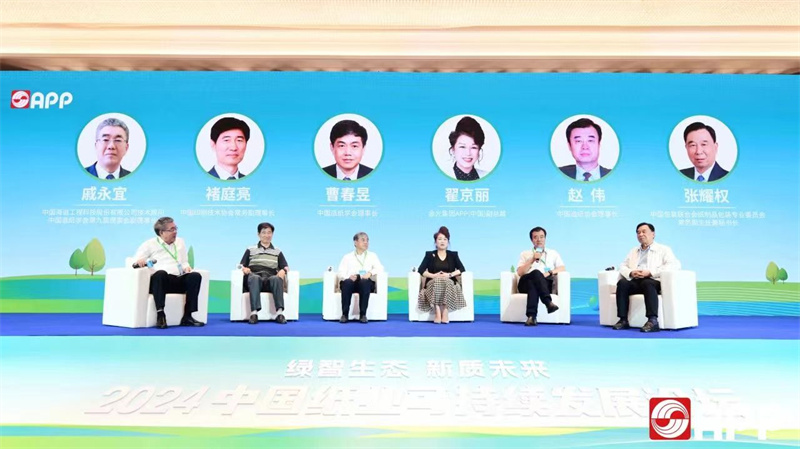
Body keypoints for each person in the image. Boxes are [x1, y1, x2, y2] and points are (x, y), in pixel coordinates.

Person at [133, 217, 204, 329]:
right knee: (160, 274)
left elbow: (184, 261)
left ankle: (188, 316)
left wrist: (186, 267)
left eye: (175, 228)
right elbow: (135, 261)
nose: (175, 232)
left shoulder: (180, 242)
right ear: (161, 232)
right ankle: (161, 315)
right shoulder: (149, 244)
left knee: (195, 276)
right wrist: (141, 261)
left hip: (177, 278)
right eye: (171, 230)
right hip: (160, 282)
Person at [613, 222, 681, 333]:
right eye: (638, 232)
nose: (641, 234)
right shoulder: (633, 251)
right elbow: (623, 265)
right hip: (636, 280)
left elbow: (674, 265)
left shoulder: (663, 249)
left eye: (644, 232)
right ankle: (623, 320)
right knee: (622, 283)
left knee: (647, 283)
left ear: (653, 234)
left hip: (654, 281)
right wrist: (631, 272)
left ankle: (652, 321)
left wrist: (650, 272)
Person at [239, 222, 289, 324]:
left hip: (270, 277)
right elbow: (241, 265)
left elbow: (286, 266)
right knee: (254, 278)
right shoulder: (250, 249)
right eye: (264, 232)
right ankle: (254, 313)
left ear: (272, 234)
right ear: (258, 234)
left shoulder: (277, 251)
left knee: (277, 278)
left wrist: (283, 270)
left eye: (269, 232)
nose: (267, 235)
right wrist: (244, 269)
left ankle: (279, 314)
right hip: (254, 275)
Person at [417, 226, 467, 323]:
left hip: (449, 282)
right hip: (433, 282)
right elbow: (421, 270)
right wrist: (434, 276)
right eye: (439, 239)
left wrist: (449, 275)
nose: (442, 241)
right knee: (438, 281)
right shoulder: (429, 255)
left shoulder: (453, 255)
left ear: (448, 242)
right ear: (435, 242)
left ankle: (445, 311)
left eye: (445, 239)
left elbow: (462, 269)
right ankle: (437, 311)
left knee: (446, 281)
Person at [515, 227, 564, 326]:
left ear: (545, 238)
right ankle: (548, 302)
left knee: (533, 284)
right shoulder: (525, 254)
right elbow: (520, 272)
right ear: (531, 240)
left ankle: (531, 317)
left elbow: (562, 268)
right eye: (535, 237)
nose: (539, 240)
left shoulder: (553, 253)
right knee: (536, 273)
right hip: (525, 282)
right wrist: (532, 259)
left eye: (541, 237)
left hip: (545, 282)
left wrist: (550, 272)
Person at [336, 232, 384, 323]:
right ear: (355, 242)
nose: (366, 242)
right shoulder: (347, 257)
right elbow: (340, 272)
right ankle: (345, 315)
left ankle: (363, 315)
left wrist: (370, 273)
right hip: (351, 283)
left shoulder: (372, 256)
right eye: (363, 240)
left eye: (367, 240)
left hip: (365, 282)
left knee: (364, 282)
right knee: (347, 282)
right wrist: (348, 277)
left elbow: (380, 268)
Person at [446, 116, 488, 181]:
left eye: (473, 147)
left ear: (479, 150)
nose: (468, 153)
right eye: (462, 147)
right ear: (453, 150)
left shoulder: (487, 176)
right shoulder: (442, 177)